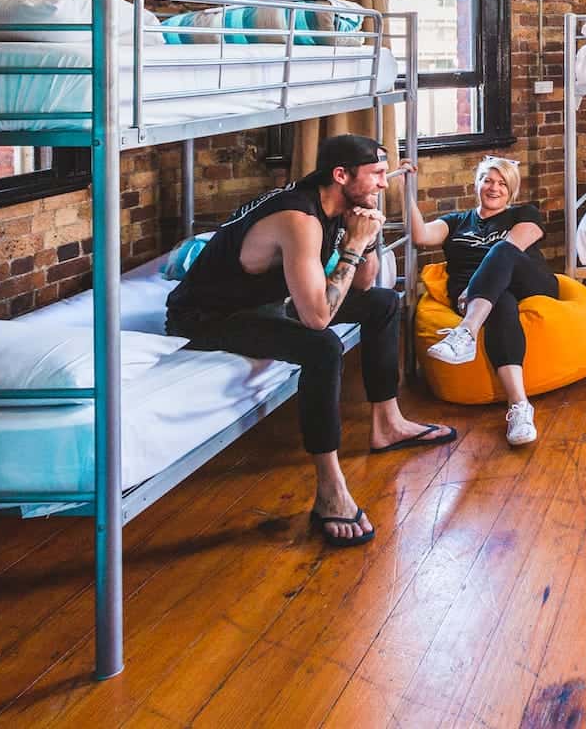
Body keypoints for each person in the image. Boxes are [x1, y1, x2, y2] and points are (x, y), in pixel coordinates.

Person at [165, 134, 455, 549]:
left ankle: (388, 424)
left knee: (383, 303)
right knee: (323, 347)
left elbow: (365, 284)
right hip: (208, 317)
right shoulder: (298, 218)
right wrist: (354, 242)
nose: (383, 182)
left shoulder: (337, 205)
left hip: (266, 302)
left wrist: (366, 236)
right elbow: (317, 319)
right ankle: (330, 488)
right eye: (375, 174)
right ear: (341, 175)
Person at [414, 155, 554, 447]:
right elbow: (420, 235)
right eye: (487, 180)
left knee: (502, 250)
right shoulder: (455, 222)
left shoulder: (525, 214)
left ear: (511, 191)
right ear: (476, 184)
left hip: (528, 281)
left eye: (502, 183)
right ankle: (520, 408)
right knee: (501, 304)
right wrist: (406, 190)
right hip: (489, 296)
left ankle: (466, 332)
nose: (494, 188)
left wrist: (476, 286)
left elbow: (514, 246)